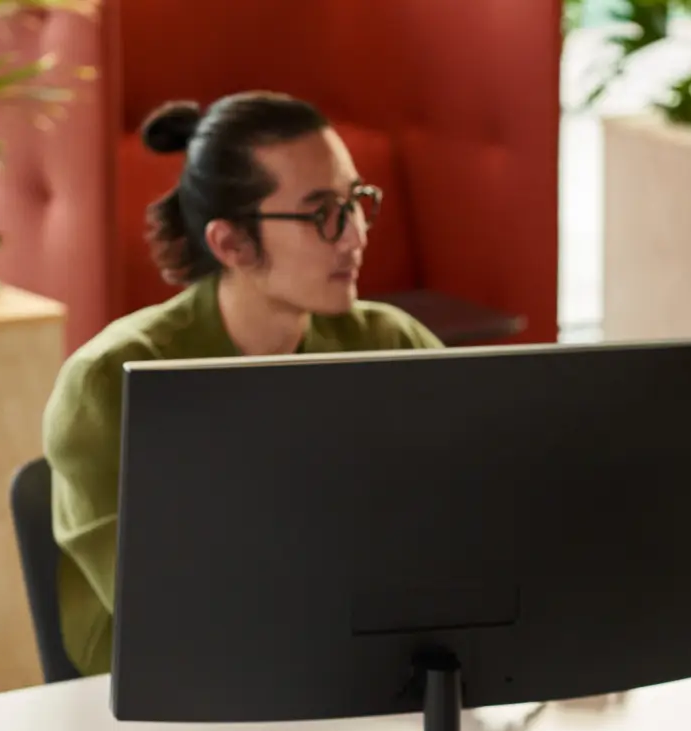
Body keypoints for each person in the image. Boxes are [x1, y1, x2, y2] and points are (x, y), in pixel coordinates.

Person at [43, 92, 442, 676]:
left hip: (361, 682)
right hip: (169, 708)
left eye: (356, 201)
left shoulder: (389, 345)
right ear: (229, 243)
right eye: (320, 213)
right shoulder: (113, 384)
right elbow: (175, 615)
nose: (354, 234)